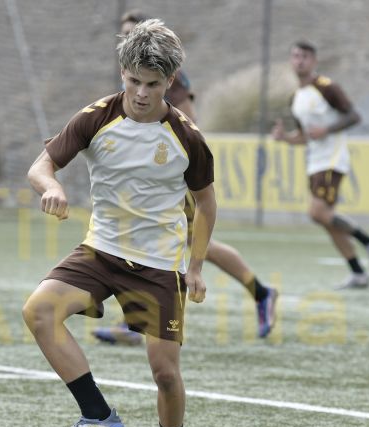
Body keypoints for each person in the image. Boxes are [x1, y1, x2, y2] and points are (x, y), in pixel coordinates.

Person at [22, 19, 215, 427]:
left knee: (165, 374)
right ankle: (97, 414)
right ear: (122, 73)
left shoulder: (186, 137)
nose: (142, 93)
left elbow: (207, 204)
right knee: (39, 311)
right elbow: (41, 165)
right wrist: (51, 187)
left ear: (170, 82)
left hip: (158, 264)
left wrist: (195, 266)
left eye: (153, 84)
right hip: (102, 250)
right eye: (133, 81)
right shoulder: (96, 117)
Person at [92, 9, 278, 345]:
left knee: (161, 241)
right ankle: (261, 292)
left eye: (132, 31)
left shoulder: (163, 75)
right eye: (123, 33)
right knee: (174, 241)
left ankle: (137, 322)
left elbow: (189, 127)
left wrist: (170, 172)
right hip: (151, 182)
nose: (126, 38)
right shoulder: (136, 75)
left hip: (172, 182)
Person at [272, 40, 369, 288]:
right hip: (315, 162)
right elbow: (304, 137)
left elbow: (354, 116)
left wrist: (328, 129)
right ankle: (358, 272)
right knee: (324, 217)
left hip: (333, 159)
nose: (299, 61)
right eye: (295, 56)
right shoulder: (296, 98)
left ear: (314, 61)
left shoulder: (327, 87)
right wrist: (285, 138)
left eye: (304, 57)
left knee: (317, 212)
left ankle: (368, 241)